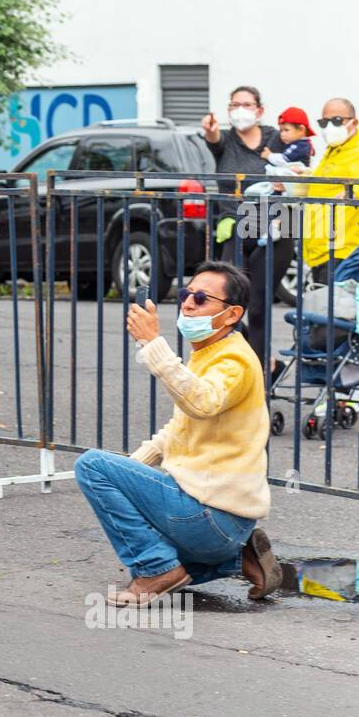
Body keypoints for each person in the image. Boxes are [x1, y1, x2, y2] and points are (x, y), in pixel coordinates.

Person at [73, 260, 281, 608]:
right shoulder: (210, 351)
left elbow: (200, 402)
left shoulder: (235, 362)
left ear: (231, 315)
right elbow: (182, 427)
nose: (186, 303)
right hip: (226, 520)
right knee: (177, 564)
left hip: (211, 514)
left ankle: (155, 569)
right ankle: (238, 559)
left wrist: (153, 343)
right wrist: (130, 474)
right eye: (186, 293)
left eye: (201, 298)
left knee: (91, 466)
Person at [202, 85, 289, 374]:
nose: (241, 109)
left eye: (247, 104)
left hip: (277, 223)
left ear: (259, 110)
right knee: (226, 301)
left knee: (260, 302)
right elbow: (212, 139)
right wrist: (210, 130)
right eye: (235, 104)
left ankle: (262, 371)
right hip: (237, 223)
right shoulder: (225, 140)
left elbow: (299, 164)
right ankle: (256, 363)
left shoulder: (275, 137)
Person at [297, 97, 359, 287]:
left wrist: (354, 192)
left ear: (354, 122)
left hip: (344, 251)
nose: (330, 126)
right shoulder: (335, 149)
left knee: (338, 312)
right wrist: (304, 178)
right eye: (324, 122)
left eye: (337, 120)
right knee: (324, 311)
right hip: (323, 249)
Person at [262, 106, 315, 171]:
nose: (282, 134)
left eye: (286, 130)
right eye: (281, 130)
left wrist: (269, 155)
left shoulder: (301, 146)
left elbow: (283, 160)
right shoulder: (299, 143)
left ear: (301, 129)